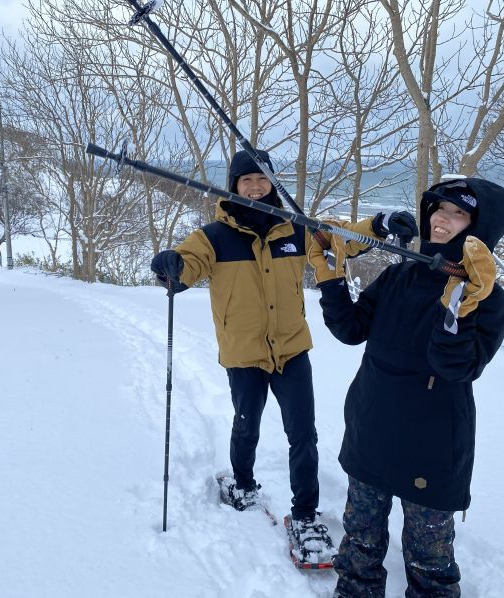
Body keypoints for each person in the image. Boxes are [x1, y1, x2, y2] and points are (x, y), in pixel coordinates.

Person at [150, 148, 417, 563]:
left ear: (273, 184)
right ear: (234, 186)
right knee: (246, 425)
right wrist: (171, 266)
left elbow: (341, 237)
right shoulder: (214, 237)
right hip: (244, 354)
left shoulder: (296, 229)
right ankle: (242, 482)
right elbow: (187, 264)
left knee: (303, 434)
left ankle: (306, 515)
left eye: (263, 180)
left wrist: (380, 225)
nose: (255, 187)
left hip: (291, 348)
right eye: (246, 181)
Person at [308, 177, 504, 596]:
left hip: (432, 444)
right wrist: (329, 279)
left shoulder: (487, 298)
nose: (443, 220)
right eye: (440, 208)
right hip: (372, 427)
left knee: (430, 560)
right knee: (360, 543)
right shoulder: (400, 275)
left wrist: (458, 308)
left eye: (459, 214)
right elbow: (350, 329)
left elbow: (456, 367)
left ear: (480, 228)